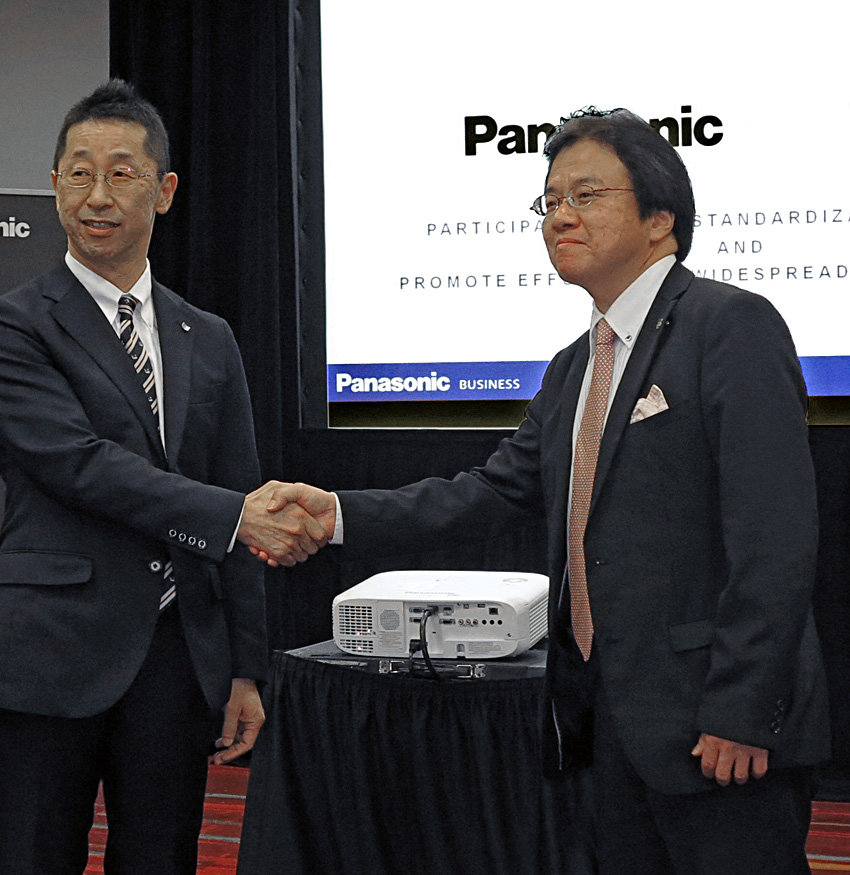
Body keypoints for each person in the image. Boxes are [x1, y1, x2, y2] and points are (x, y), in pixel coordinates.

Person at [250, 108, 831, 874]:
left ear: (660, 217)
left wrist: (742, 708)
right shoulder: (573, 366)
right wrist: (337, 513)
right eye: (550, 200)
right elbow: (488, 493)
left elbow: (775, 536)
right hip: (606, 728)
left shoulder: (729, 325)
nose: (560, 216)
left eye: (586, 195)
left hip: (714, 725)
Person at [0, 79, 324, 874]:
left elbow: (239, 485)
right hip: (53, 644)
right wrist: (233, 515)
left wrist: (245, 666)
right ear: (54, 185)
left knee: (162, 856)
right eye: (79, 173)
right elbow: (78, 464)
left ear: (163, 191)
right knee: (34, 855)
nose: (97, 195)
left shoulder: (209, 335)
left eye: (122, 173)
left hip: (176, 653)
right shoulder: (13, 323)